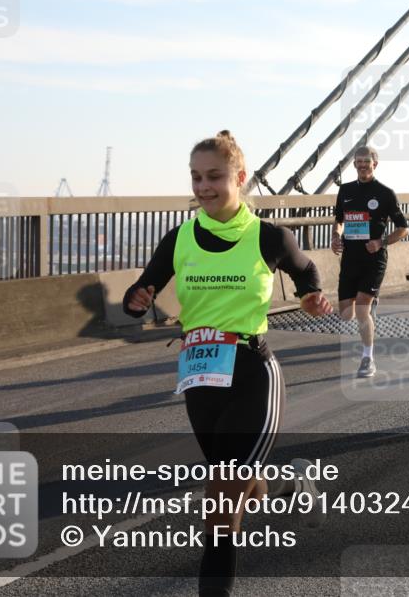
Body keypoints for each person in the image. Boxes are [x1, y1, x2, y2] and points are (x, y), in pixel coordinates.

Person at [122, 131, 332, 597]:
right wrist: (137, 300)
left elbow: (306, 271)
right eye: (196, 177)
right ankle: (291, 485)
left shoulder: (268, 236)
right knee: (242, 487)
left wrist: (312, 296)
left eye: (214, 177)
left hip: (252, 373)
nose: (203, 187)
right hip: (199, 376)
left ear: (239, 177)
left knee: (218, 505)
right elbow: (140, 293)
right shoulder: (178, 238)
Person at [331, 145, 409, 377]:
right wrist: (336, 236)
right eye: (358, 161)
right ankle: (371, 304)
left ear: (375, 164)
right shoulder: (344, 190)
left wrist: (381, 242)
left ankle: (367, 359)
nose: (362, 165)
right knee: (347, 314)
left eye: (367, 161)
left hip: (374, 259)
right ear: (354, 164)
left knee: (362, 309)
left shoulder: (385, 193)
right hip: (350, 259)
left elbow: (403, 228)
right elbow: (339, 220)